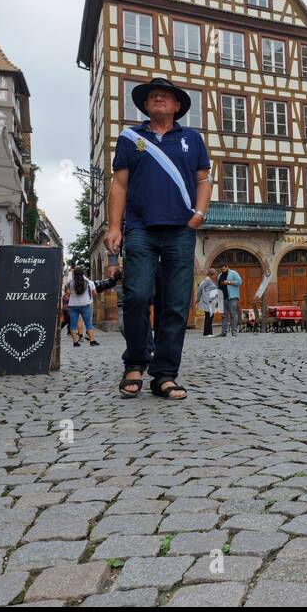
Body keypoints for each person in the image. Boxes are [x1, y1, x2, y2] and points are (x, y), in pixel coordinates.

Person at [103, 77, 211, 401]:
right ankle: (135, 362)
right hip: (141, 229)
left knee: (176, 304)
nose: (159, 97)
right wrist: (113, 226)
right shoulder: (130, 138)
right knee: (136, 295)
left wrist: (200, 213)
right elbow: (119, 185)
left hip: (181, 230)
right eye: (153, 95)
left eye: (166, 95)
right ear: (146, 105)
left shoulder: (192, 138)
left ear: (178, 106)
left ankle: (164, 374)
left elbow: (203, 180)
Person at [62, 263, 120, 347]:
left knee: (73, 325)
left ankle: (75, 343)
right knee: (88, 324)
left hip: (73, 305)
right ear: (83, 274)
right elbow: (95, 293)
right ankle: (92, 341)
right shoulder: (88, 283)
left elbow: (67, 292)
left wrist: (71, 272)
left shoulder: (70, 283)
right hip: (85, 304)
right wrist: (88, 296)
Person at [216, 262, 242, 336]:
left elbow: (240, 282)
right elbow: (219, 286)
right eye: (221, 269)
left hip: (232, 297)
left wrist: (229, 282)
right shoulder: (219, 275)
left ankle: (234, 332)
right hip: (222, 298)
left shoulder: (233, 273)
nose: (223, 270)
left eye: (224, 269)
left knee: (233, 315)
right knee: (223, 316)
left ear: (227, 267)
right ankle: (224, 332)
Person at [196, 267, 221, 337]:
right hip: (208, 301)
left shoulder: (208, 280)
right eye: (215, 274)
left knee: (209, 316)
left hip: (210, 301)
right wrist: (198, 299)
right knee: (209, 316)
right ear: (211, 274)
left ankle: (207, 333)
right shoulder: (207, 280)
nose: (216, 276)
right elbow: (199, 289)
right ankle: (208, 333)